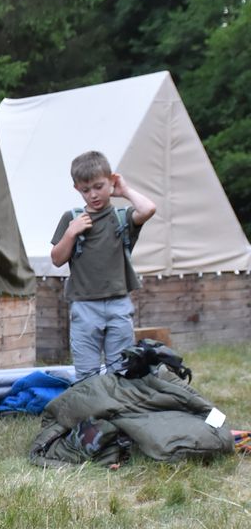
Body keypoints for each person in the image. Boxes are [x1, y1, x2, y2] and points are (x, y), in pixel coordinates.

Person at [50, 150, 157, 379]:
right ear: (77, 189)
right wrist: (70, 233)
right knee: (87, 372)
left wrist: (125, 191)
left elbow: (148, 209)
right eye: (85, 190)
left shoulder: (122, 218)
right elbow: (57, 259)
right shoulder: (72, 218)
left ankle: (117, 413)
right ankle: (91, 414)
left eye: (99, 186)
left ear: (111, 181)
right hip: (84, 306)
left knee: (121, 369)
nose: (93, 195)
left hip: (118, 304)